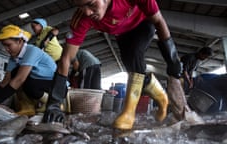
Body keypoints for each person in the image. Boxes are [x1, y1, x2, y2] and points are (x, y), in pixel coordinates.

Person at [43, 0, 185, 130]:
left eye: (91, 4)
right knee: (133, 69)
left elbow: (159, 21)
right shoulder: (82, 17)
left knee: (134, 56)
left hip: (143, 24)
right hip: (121, 34)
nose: (87, 12)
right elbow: (66, 59)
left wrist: (172, 62)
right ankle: (161, 96)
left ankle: (129, 112)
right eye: (80, 6)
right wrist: (54, 102)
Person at [0, 25, 57, 116]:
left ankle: (51, 103)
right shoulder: (13, 58)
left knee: (23, 81)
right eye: (4, 46)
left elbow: (19, 80)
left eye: (8, 45)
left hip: (54, 84)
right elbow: (5, 81)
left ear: (19, 41)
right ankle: (27, 107)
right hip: (38, 82)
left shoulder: (32, 51)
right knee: (16, 75)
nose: (6, 49)